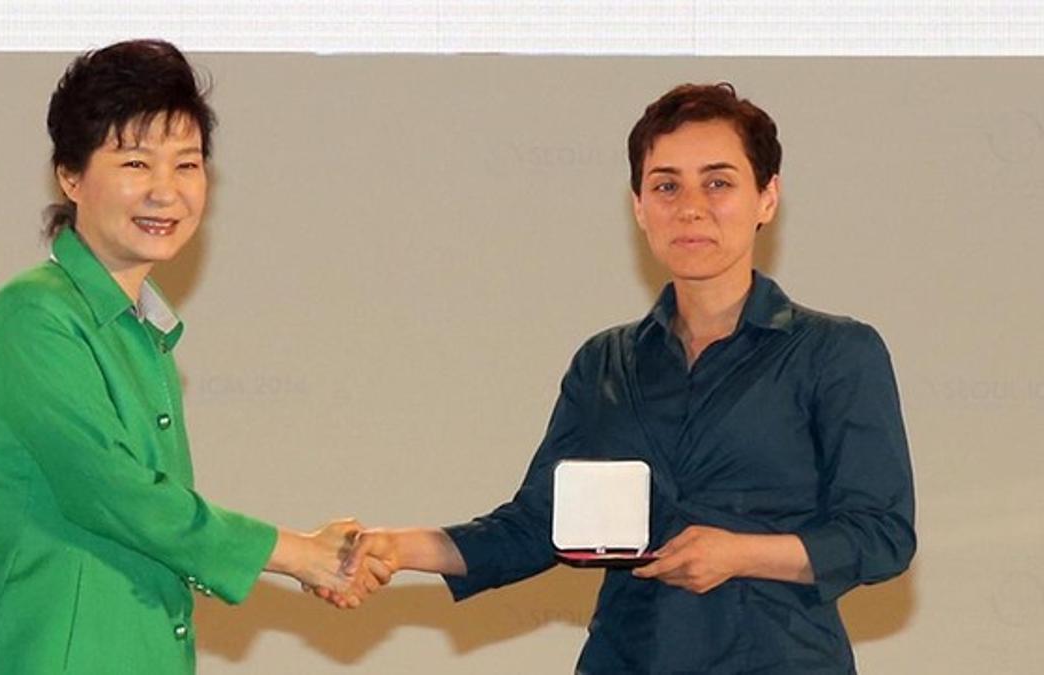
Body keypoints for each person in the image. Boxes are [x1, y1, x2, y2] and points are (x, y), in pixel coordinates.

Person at [341, 82, 916, 673]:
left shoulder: (836, 352)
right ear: (639, 206)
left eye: (718, 182)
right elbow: (541, 523)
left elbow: (881, 536)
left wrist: (739, 554)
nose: (690, 206)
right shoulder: (604, 363)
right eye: (666, 186)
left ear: (767, 197)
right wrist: (401, 547)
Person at [0, 40, 383, 675]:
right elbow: (115, 492)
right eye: (136, 164)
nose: (166, 193)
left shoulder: (143, 328)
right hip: (42, 652)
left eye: (188, 165)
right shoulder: (33, 316)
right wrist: (294, 553)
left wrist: (308, 554)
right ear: (70, 174)